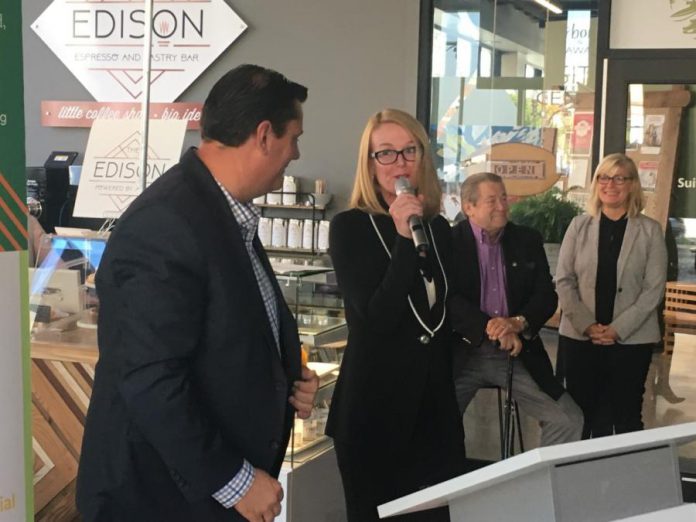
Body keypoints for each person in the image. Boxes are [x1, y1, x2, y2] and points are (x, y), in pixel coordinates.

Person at [76, 64, 319, 522]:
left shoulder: (223, 214)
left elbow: (225, 336)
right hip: (160, 501)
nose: (297, 153)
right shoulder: (165, 223)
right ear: (264, 135)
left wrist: (286, 381)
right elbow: (150, 378)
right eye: (294, 137)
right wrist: (236, 481)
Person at [327, 109, 466, 521]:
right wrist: (404, 238)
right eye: (385, 153)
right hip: (374, 412)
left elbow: (443, 310)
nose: (400, 163)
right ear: (369, 165)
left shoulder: (438, 227)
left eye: (409, 150)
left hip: (433, 411)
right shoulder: (350, 228)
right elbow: (375, 320)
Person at [448, 172, 583, 448]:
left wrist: (516, 324)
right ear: (469, 207)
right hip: (460, 352)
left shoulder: (526, 240)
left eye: (504, 198)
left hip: (516, 351)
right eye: (492, 200)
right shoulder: (450, 243)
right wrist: (493, 328)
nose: (502, 206)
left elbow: (546, 296)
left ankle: (540, 485)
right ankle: (445, 486)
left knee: (568, 420)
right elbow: (448, 298)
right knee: (433, 422)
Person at [556, 153, 666, 438]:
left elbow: (653, 290)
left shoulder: (650, 231)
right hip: (581, 338)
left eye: (620, 178)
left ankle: (624, 479)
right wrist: (587, 325)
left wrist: (618, 329)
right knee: (582, 415)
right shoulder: (578, 226)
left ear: (632, 185)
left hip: (631, 341)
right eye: (604, 177)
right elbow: (564, 281)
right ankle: (581, 478)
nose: (611, 184)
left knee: (626, 416)